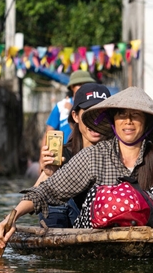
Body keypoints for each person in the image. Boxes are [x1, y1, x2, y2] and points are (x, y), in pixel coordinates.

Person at [0, 86, 153, 248]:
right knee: (97, 195)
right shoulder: (93, 157)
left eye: (136, 116)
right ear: (113, 122)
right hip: (97, 233)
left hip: (150, 235)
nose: (129, 122)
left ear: (146, 123)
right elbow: (48, 191)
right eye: (122, 115)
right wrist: (12, 216)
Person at [34, 82, 110, 228]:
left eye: (101, 115)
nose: (95, 122)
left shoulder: (118, 151)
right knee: (53, 195)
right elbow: (39, 192)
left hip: (107, 219)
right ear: (75, 116)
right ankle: (55, 243)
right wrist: (13, 216)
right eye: (88, 114)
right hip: (74, 221)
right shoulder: (64, 154)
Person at [42, 70, 96, 146]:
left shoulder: (95, 105)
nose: (83, 87)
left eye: (86, 84)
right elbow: (49, 133)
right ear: (72, 87)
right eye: (79, 84)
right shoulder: (61, 106)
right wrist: (42, 157)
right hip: (65, 153)